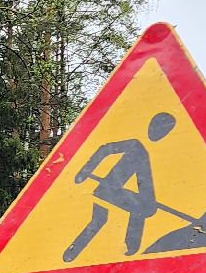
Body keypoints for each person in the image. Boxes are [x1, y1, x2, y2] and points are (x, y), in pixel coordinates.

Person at [62, 112, 178, 262]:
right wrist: (84, 171)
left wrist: (149, 202)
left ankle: (130, 247)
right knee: (100, 220)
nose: (160, 133)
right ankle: (75, 251)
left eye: (165, 131)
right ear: (152, 125)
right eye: (159, 128)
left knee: (109, 217)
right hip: (107, 188)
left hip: (117, 192)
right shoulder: (136, 146)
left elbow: (144, 181)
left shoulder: (156, 153)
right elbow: (105, 149)